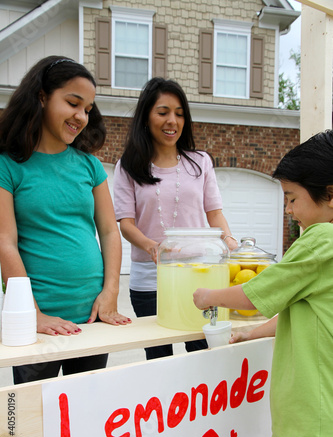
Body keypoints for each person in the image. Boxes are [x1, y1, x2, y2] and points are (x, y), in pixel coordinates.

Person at [193, 130, 333, 437]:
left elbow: (256, 296)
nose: (288, 210)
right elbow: (303, 310)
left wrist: (208, 294)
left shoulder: (321, 240)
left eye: (292, 198)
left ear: (330, 195)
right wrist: (250, 335)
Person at [0, 55, 131, 384]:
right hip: (38, 324)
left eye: (87, 109)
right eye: (73, 103)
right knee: (34, 423)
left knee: (85, 416)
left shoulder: (90, 166)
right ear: (42, 97)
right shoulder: (9, 165)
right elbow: (5, 242)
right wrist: (34, 316)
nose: (81, 117)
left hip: (92, 319)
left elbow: (109, 233)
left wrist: (111, 292)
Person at [113, 77, 237, 360]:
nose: (172, 121)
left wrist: (231, 245)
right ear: (146, 116)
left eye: (180, 114)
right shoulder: (128, 166)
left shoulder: (200, 161)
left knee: (201, 352)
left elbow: (215, 213)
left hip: (200, 275)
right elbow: (126, 224)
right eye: (163, 112)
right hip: (149, 280)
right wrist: (152, 246)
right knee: (159, 359)